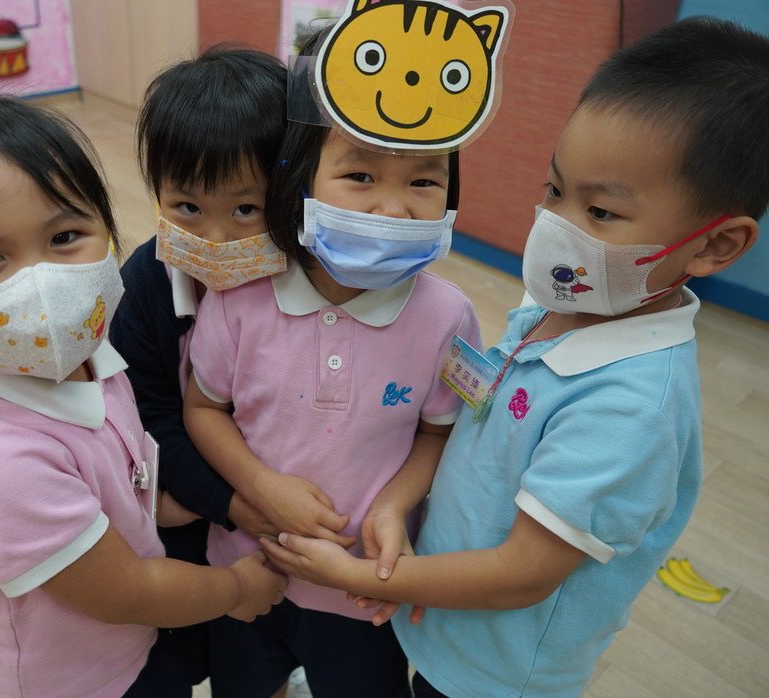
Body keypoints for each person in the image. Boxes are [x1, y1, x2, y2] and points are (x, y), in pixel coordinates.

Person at [260, 17, 769, 698]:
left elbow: (522, 574)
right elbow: (474, 415)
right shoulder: (557, 305)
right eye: (555, 190)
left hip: (494, 672)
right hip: (437, 613)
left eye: (601, 212)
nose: (556, 227)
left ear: (715, 245)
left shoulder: (631, 410)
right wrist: (397, 505)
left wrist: (355, 576)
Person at [0, 96, 286, 698]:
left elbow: (116, 470)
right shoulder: (0, 463)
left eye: (65, 236)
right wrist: (240, 590)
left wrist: (163, 506)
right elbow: (128, 593)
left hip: (130, 653)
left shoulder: (93, 355)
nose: (40, 282)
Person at [182, 27, 481, 698]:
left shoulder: (446, 316)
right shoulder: (239, 299)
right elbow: (203, 408)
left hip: (362, 585)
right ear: (300, 176)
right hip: (248, 563)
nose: (391, 206)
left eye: (423, 180)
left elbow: (440, 432)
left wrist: (394, 507)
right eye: (360, 175)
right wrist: (261, 486)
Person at [108, 47, 288, 685]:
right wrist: (227, 503)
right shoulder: (144, 284)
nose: (214, 239)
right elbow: (149, 415)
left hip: (289, 518)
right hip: (186, 514)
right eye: (186, 206)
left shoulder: (309, 283)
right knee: (186, 652)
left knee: (263, 650)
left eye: (245, 210)